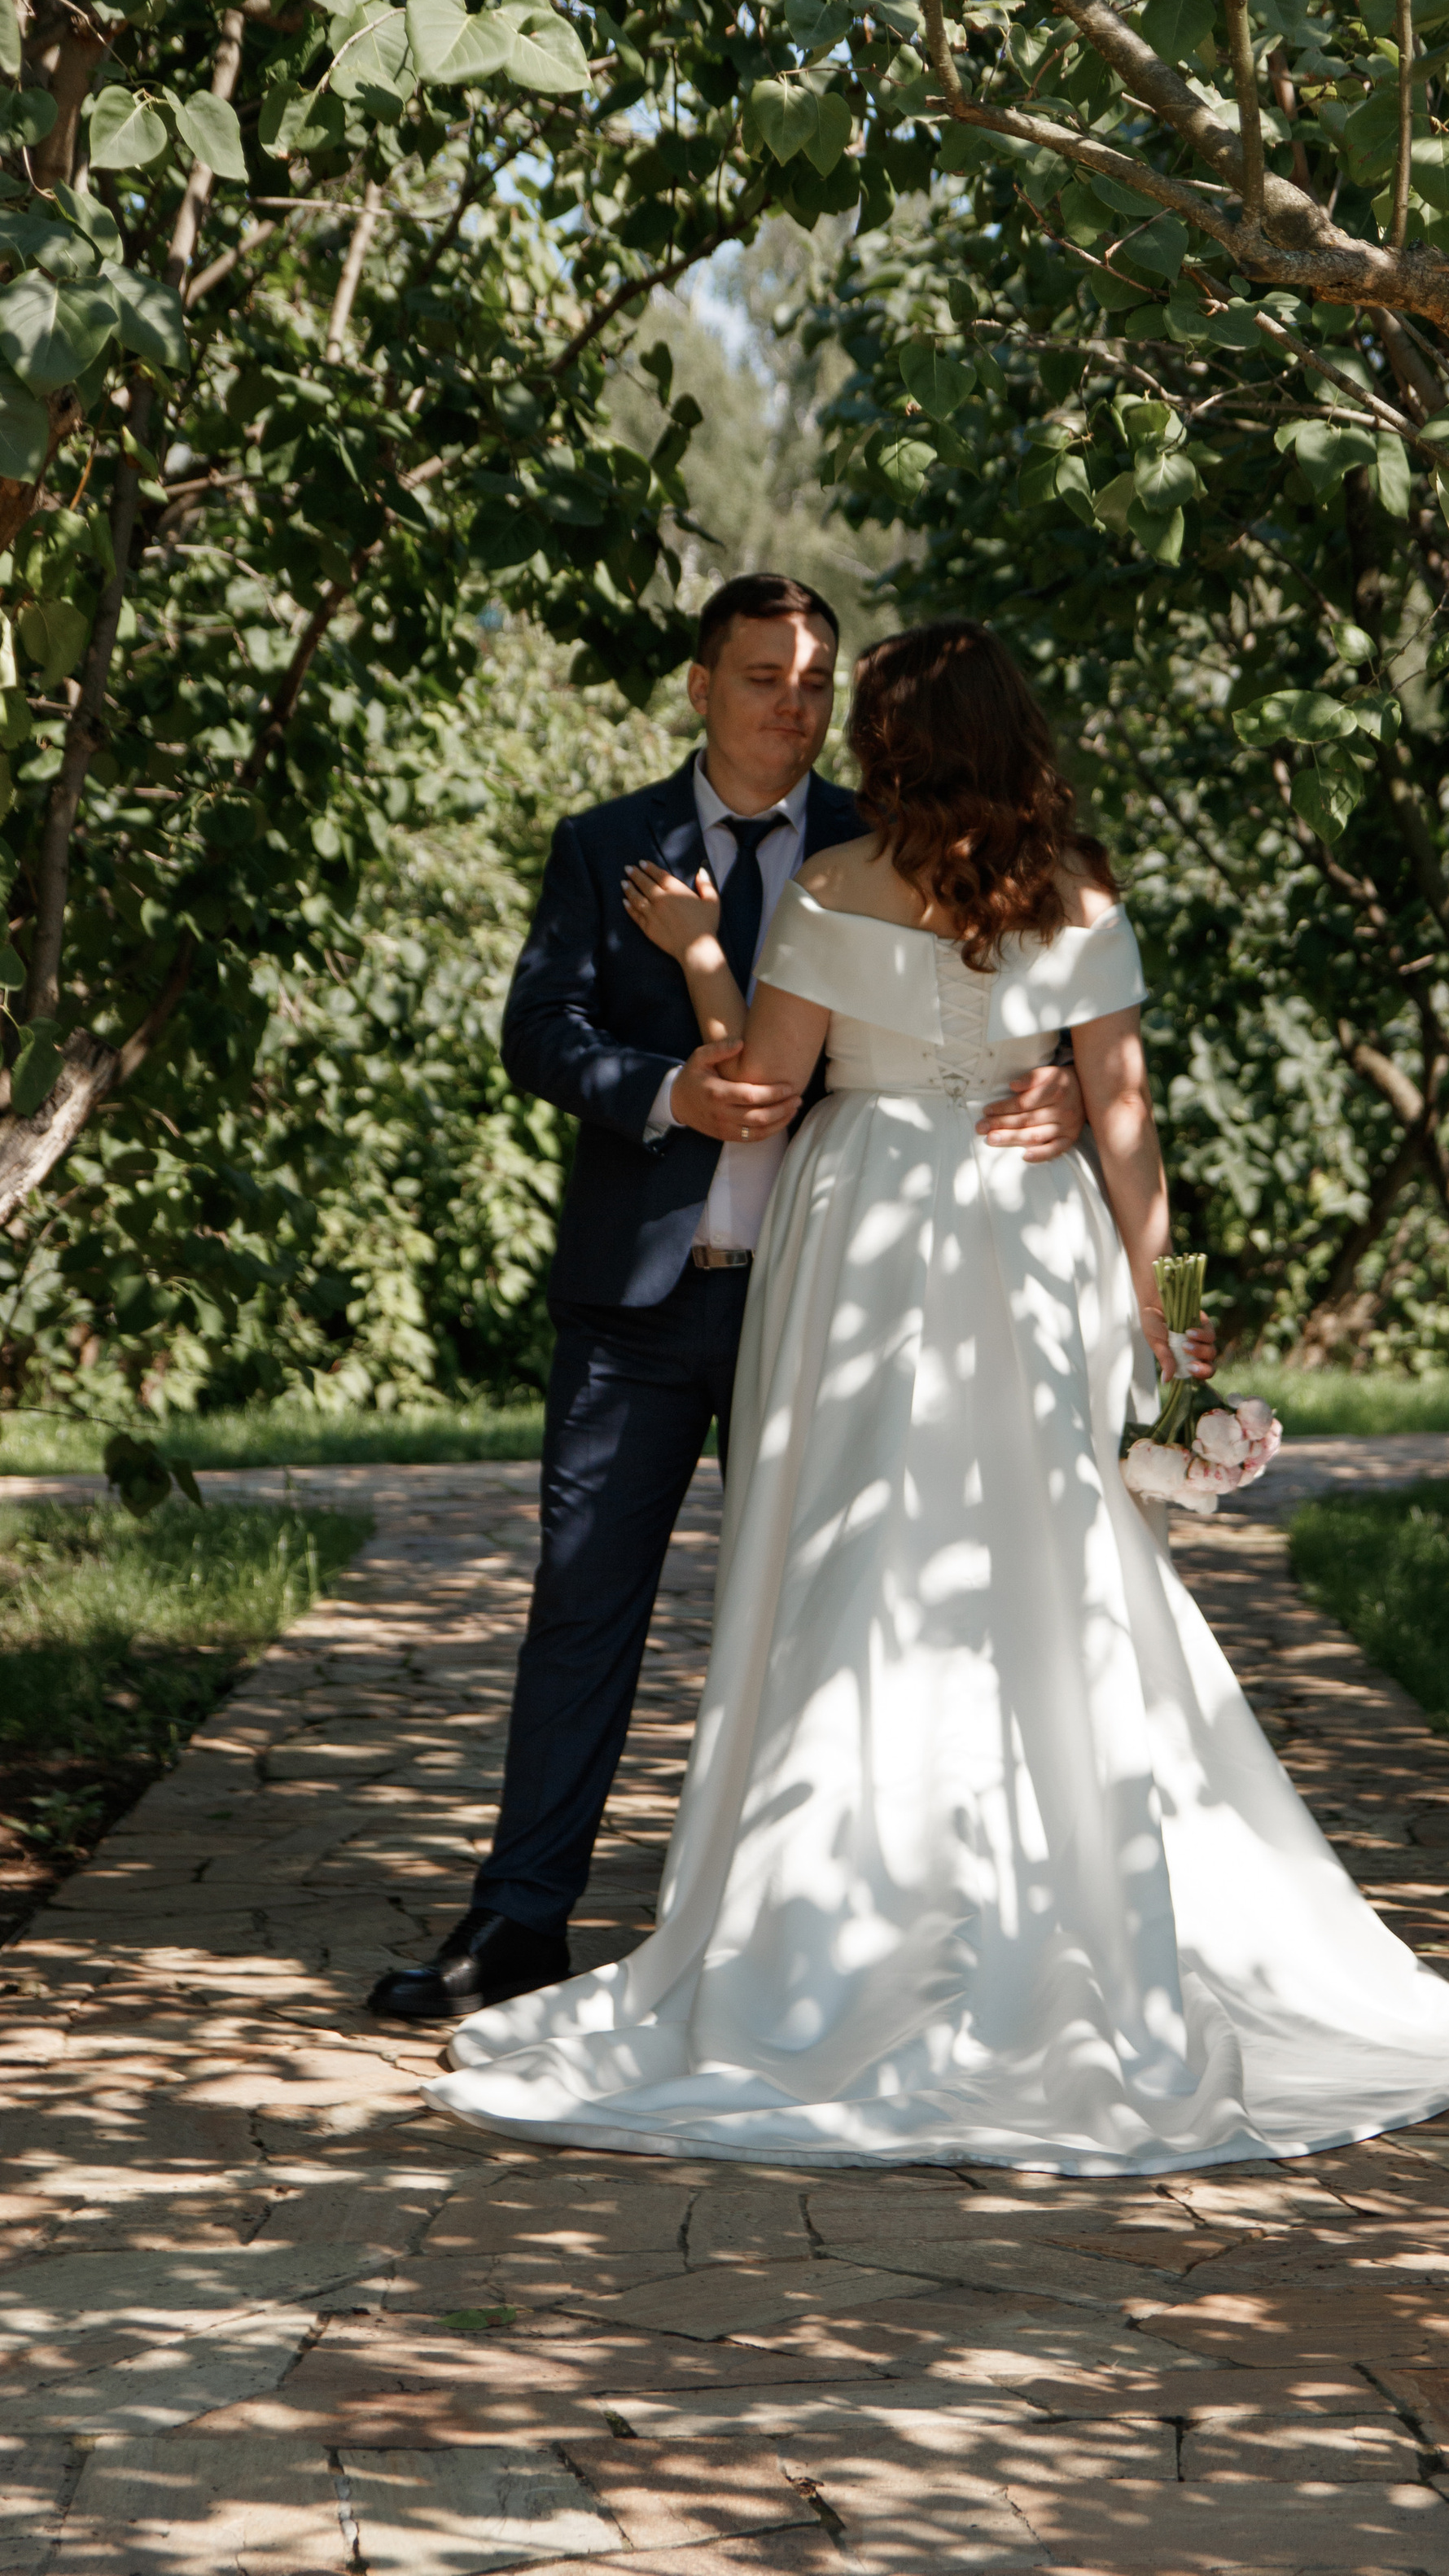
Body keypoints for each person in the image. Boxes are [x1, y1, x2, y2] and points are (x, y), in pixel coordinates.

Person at [430, 620, 1449, 2169]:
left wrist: (705, 963)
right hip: (1031, 1243)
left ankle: (828, 1918)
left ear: (893, 742)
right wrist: (1171, 1331)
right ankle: (1054, 1892)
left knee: (851, 1565)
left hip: (863, 1241)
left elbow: (766, 1096)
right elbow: (1128, 1126)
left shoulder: (829, 887)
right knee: (1049, 1560)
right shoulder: (1081, 891)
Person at [368, 576, 1088, 2026]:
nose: (793, 705)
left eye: (815, 681)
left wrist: (1050, 1082)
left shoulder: (885, 844)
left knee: (822, 1613)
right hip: (640, 1300)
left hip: (828, 1309)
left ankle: (802, 1920)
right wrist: (664, 1090)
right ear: (701, 686)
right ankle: (518, 1922)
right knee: (583, 1608)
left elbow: (1007, 999)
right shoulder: (602, 845)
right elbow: (539, 1032)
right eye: (764, 677)